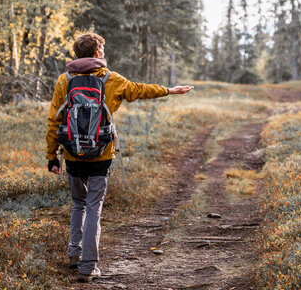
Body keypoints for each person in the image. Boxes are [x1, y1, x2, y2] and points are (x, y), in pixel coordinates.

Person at [45, 33, 193, 282]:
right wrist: (169, 90)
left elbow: (54, 121)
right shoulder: (110, 79)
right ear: (95, 54)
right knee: (93, 206)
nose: (103, 54)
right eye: (101, 50)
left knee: (78, 203)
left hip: (71, 153)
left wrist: (52, 156)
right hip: (101, 153)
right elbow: (140, 90)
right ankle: (88, 265)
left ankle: (74, 254)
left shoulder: (64, 80)